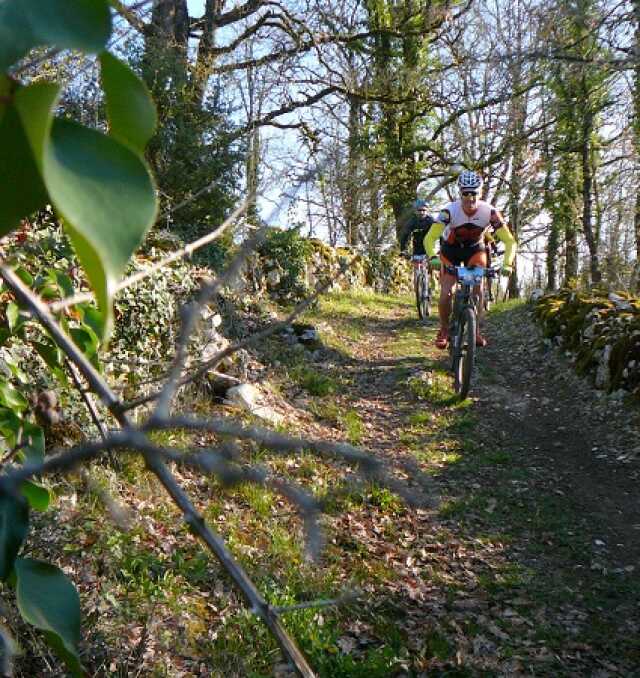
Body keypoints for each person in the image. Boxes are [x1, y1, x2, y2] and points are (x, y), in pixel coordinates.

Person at [424, 170, 516, 349]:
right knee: (446, 293)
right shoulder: (449, 211)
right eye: (465, 193)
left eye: (473, 193)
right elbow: (429, 238)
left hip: (475, 251)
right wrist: (432, 257)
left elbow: (510, 240)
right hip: (450, 252)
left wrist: (507, 263)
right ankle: (444, 329)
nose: (469, 198)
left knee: (478, 291)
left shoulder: (490, 212)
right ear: (460, 193)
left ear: (479, 193)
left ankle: (475, 331)